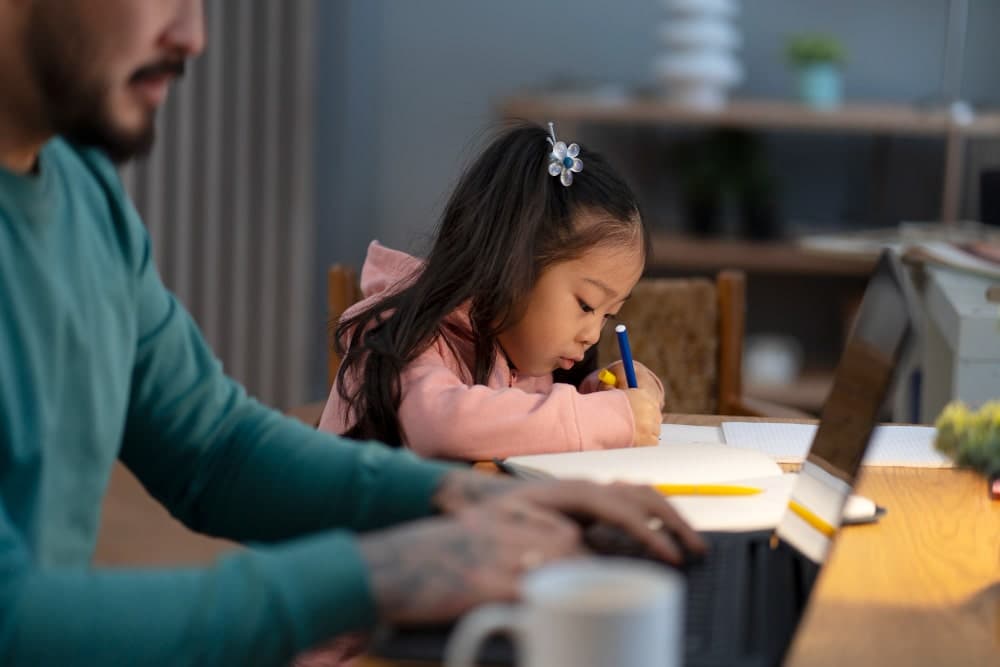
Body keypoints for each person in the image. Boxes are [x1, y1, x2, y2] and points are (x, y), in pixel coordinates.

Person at [0, 1, 705, 665]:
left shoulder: (84, 192)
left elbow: (215, 447)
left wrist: (463, 498)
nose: (194, 34)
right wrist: (376, 571)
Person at [319, 123, 665, 459]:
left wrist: (601, 394)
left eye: (608, 315)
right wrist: (605, 419)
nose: (592, 334)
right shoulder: (404, 332)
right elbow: (442, 426)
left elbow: (515, 422)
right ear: (513, 262)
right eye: (587, 306)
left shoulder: (524, 358)